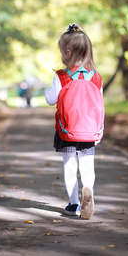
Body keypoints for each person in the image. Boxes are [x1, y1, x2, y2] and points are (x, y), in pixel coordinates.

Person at [44, 23, 103, 219]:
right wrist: (99, 130)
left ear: (68, 52)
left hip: (66, 130)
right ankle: (89, 190)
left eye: (61, 52)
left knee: (70, 167)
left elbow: (51, 99)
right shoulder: (95, 77)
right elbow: (99, 105)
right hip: (88, 131)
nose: (61, 55)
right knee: (87, 166)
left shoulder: (61, 76)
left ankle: (74, 204)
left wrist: (47, 92)